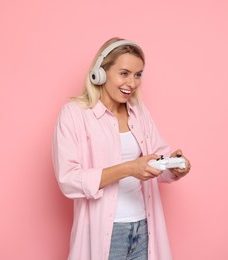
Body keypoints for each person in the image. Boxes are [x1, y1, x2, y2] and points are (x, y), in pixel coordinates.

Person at [52, 37, 191, 260]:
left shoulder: (139, 112)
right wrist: (128, 168)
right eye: (124, 73)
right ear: (101, 72)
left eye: (138, 75)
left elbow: (157, 159)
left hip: (144, 227)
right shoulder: (74, 114)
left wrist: (173, 166)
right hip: (108, 232)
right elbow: (69, 180)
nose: (132, 83)